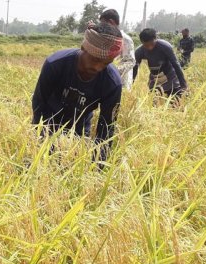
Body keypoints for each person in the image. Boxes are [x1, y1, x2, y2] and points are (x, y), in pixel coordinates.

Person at [31, 22, 123, 162]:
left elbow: (106, 127)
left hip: (79, 129)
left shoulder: (112, 82)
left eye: (106, 63)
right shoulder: (55, 64)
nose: (98, 67)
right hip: (49, 122)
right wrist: (39, 135)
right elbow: (39, 102)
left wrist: (97, 164)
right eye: (95, 59)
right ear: (83, 48)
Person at [133, 28, 188, 100]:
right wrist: (131, 83)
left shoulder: (165, 46)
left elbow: (176, 64)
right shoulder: (139, 51)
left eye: (152, 44)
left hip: (170, 77)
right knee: (154, 104)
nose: (150, 47)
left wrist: (183, 84)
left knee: (175, 102)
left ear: (155, 38)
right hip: (155, 79)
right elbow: (134, 68)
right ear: (142, 42)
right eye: (146, 45)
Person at [98, 9, 135, 90]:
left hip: (121, 82)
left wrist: (113, 70)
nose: (101, 27)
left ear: (111, 22)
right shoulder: (104, 36)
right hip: (106, 79)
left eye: (103, 24)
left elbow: (130, 61)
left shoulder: (125, 39)